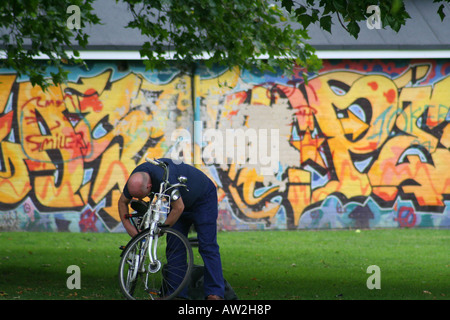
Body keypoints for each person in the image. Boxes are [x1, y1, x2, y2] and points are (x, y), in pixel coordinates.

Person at [118, 158, 225, 300]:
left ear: (150, 186)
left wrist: (161, 229)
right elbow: (122, 202)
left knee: (207, 245)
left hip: (202, 199)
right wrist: (130, 228)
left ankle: (215, 293)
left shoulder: (165, 178)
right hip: (178, 204)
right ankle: (176, 295)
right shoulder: (135, 179)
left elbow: (179, 207)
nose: (139, 200)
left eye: (141, 197)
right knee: (174, 246)